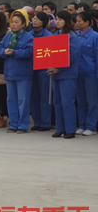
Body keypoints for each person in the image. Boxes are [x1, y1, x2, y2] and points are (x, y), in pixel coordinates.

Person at [0, 10, 34, 133]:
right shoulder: (8, 36)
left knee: (23, 100)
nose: (13, 24)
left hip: (23, 74)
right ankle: (13, 124)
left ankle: (23, 125)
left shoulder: (29, 38)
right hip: (10, 73)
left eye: (16, 22)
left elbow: (30, 52)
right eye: (12, 22)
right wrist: (4, 52)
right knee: (11, 99)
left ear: (23, 24)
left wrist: (15, 52)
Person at [50, 11, 81, 139]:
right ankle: (60, 128)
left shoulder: (72, 37)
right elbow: (50, 53)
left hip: (68, 74)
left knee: (67, 102)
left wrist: (58, 68)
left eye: (60, 19)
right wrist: (49, 66)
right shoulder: (55, 35)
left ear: (66, 21)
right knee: (57, 102)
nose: (57, 22)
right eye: (56, 19)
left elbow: (72, 56)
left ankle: (70, 129)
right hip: (55, 74)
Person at [74, 11, 98, 136]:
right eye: (76, 21)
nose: (77, 23)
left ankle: (91, 126)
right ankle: (82, 125)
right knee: (81, 101)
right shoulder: (75, 35)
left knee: (91, 101)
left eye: (79, 21)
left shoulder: (95, 36)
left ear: (88, 22)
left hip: (90, 73)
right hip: (77, 73)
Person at [29, 12, 52, 131]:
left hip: (44, 69)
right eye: (33, 18)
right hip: (31, 68)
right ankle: (37, 121)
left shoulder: (48, 36)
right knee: (33, 96)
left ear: (43, 22)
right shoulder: (29, 35)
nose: (34, 21)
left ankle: (45, 123)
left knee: (45, 97)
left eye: (37, 19)